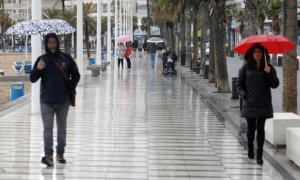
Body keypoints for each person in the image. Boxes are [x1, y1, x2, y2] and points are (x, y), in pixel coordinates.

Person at [30, 33, 80, 166]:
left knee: (62, 128)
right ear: (46, 44)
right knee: (48, 128)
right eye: (49, 42)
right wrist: (37, 69)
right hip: (46, 101)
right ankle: (48, 155)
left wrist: (70, 85)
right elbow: (32, 79)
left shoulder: (66, 58)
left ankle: (60, 153)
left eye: (54, 42)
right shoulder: (42, 59)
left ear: (57, 43)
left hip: (63, 100)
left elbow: (76, 75)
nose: (52, 44)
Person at [237, 43, 279, 165]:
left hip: (263, 103)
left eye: (259, 51)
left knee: (260, 129)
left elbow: (275, 84)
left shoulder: (268, 67)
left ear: (263, 53)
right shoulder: (245, 68)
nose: (257, 54)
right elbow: (239, 85)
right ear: (251, 53)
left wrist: (269, 72)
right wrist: (244, 94)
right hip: (250, 103)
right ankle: (250, 146)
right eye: (255, 51)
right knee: (251, 129)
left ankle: (259, 154)